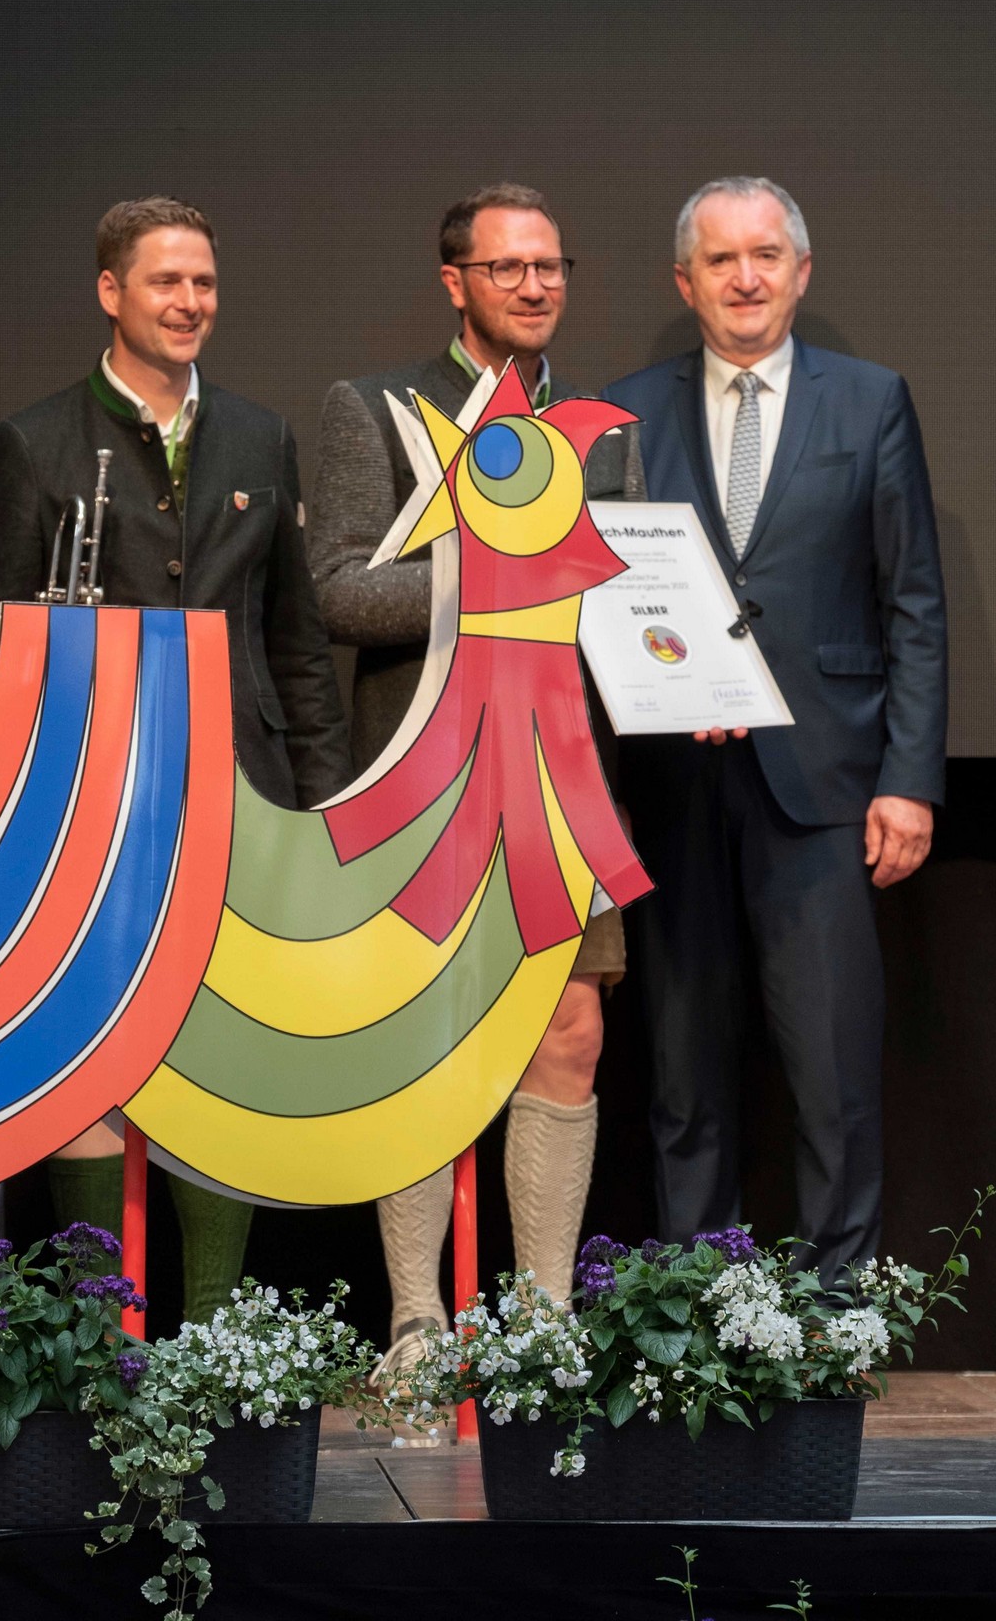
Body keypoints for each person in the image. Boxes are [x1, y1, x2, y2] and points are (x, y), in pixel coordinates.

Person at [0, 195, 350, 1328]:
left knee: (219, 1050)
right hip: (90, 794)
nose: (190, 304)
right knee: (90, 1050)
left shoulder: (259, 434)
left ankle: (217, 1334)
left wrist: (321, 801)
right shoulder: (30, 444)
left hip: (240, 788)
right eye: (166, 283)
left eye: (205, 285)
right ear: (111, 293)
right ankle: (97, 1331)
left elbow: (296, 637)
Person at [308, 183, 634, 1366]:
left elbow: (632, 598)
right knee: (420, 1046)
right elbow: (340, 589)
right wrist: (496, 580)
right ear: (457, 282)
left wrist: (691, 670)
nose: (536, 287)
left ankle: (541, 1325)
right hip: (422, 781)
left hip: (560, 784)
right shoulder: (378, 409)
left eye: (551, 266)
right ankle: (416, 1321)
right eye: (509, 269)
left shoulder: (604, 426)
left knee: (571, 1034)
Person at [603, 177, 946, 1278]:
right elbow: (603, 593)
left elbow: (914, 604)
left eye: (765, 255)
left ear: (802, 271)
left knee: (832, 1072)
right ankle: (694, 1310)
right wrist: (664, 686)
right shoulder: (624, 413)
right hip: (674, 787)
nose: (744, 278)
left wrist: (911, 779)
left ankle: (840, 1306)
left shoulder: (872, 400)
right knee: (682, 1074)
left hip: (828, 786)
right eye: (720, 260)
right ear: (684, 282)